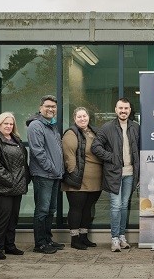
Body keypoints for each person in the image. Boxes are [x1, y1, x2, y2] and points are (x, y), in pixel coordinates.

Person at [92, 98, 140, 252]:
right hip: (114, 173)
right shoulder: (107, 127)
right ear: (115, 109)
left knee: (124, 205)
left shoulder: (136, 127)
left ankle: (121, 236)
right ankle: (114, 238)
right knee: (115, 205)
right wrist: (111, 157)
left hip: (130, 173)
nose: (123, 111)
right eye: (120, 108)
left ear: (130, 110)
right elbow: (95, 147)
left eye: (126, 108)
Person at [0, 112, 29, 260]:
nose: (9, 126)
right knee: (2, 219)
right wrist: (10, 180)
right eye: (6, 124)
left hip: (17, 187)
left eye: (11, 124)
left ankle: (10, 245)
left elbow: (22, 162)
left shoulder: (16, 139)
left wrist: (23, 179)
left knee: (13, 219)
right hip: (1, 188)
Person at [26, 95, 65, 254]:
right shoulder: (36, 125)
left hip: (55, 175)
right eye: (48, 106)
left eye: (53, 107)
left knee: (51, 210)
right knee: (42, 210)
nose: (51, 109)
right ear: (40, 107)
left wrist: (58, 171)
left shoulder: (51, 126)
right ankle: (40, 244)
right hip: (43, 175)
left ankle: (48, 239)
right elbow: (38, 152)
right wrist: (53, 169)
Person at [61, 107, 102, 250]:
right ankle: (75, 239)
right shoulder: (71, 133)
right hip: (78, 180)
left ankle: (84, 237)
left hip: (95, 180)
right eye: (79, 117)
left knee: (88, 209)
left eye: (84, 116)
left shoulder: (93, 132)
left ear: (88, 117)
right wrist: (73, 174)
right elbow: (69, 156)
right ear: (74, 118)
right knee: (76, 209)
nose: (82, 119)